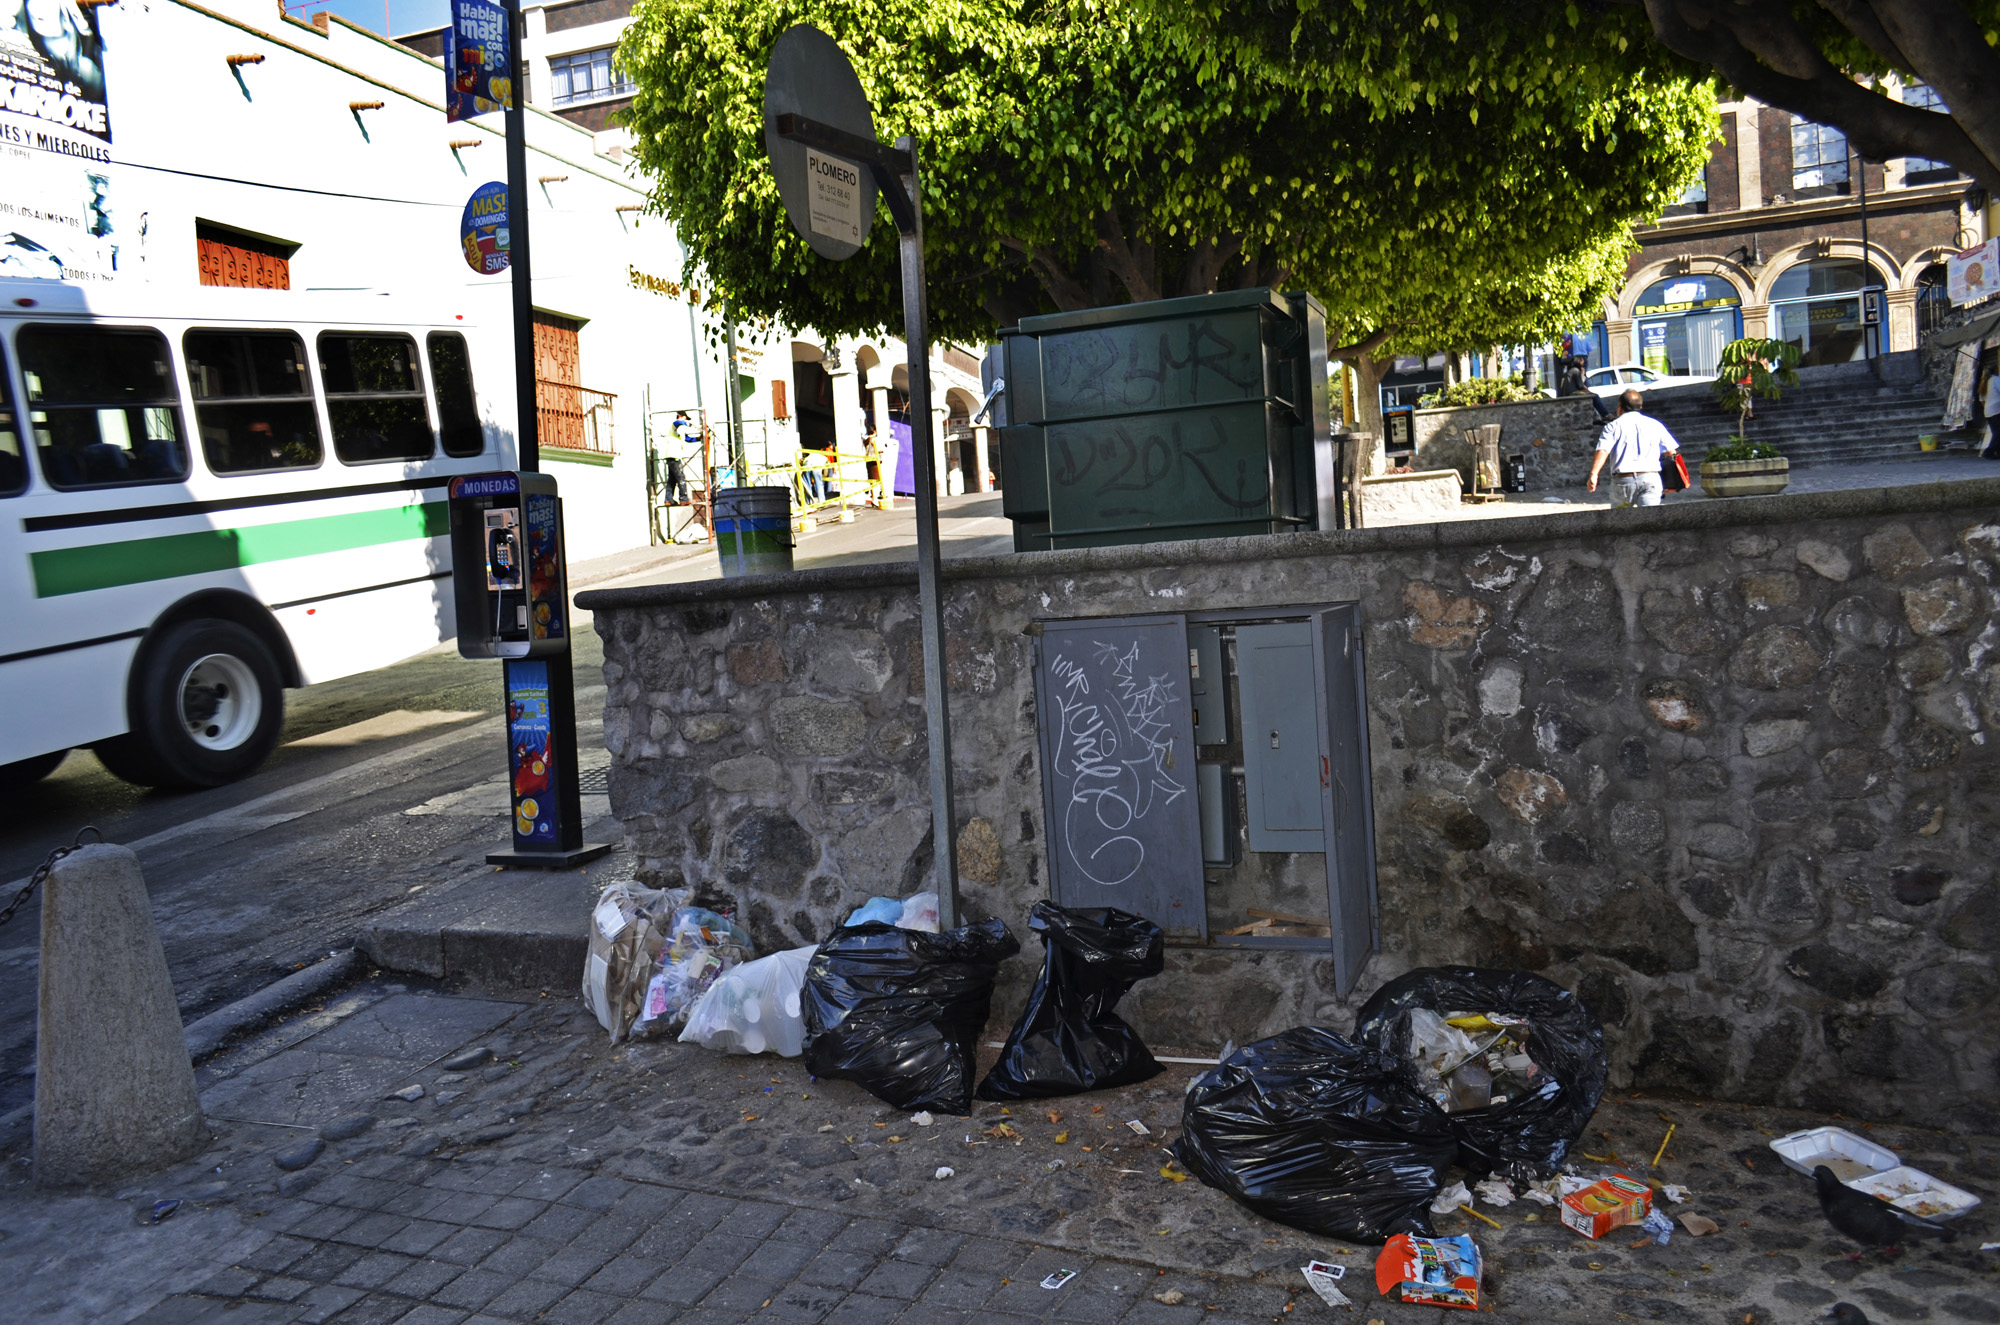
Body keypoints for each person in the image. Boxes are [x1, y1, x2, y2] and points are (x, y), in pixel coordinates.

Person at [1586, 389, 1681, 507]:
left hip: (1623, 481)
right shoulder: (1655, 424)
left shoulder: (1613, 426)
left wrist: (1594, 474)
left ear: (1620, 408)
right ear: (1640, 407)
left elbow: (1603, 450)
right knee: (1650, 520)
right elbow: (1671, 453)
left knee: (1622, 521)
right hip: (1650, 479)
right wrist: (1671, 481)